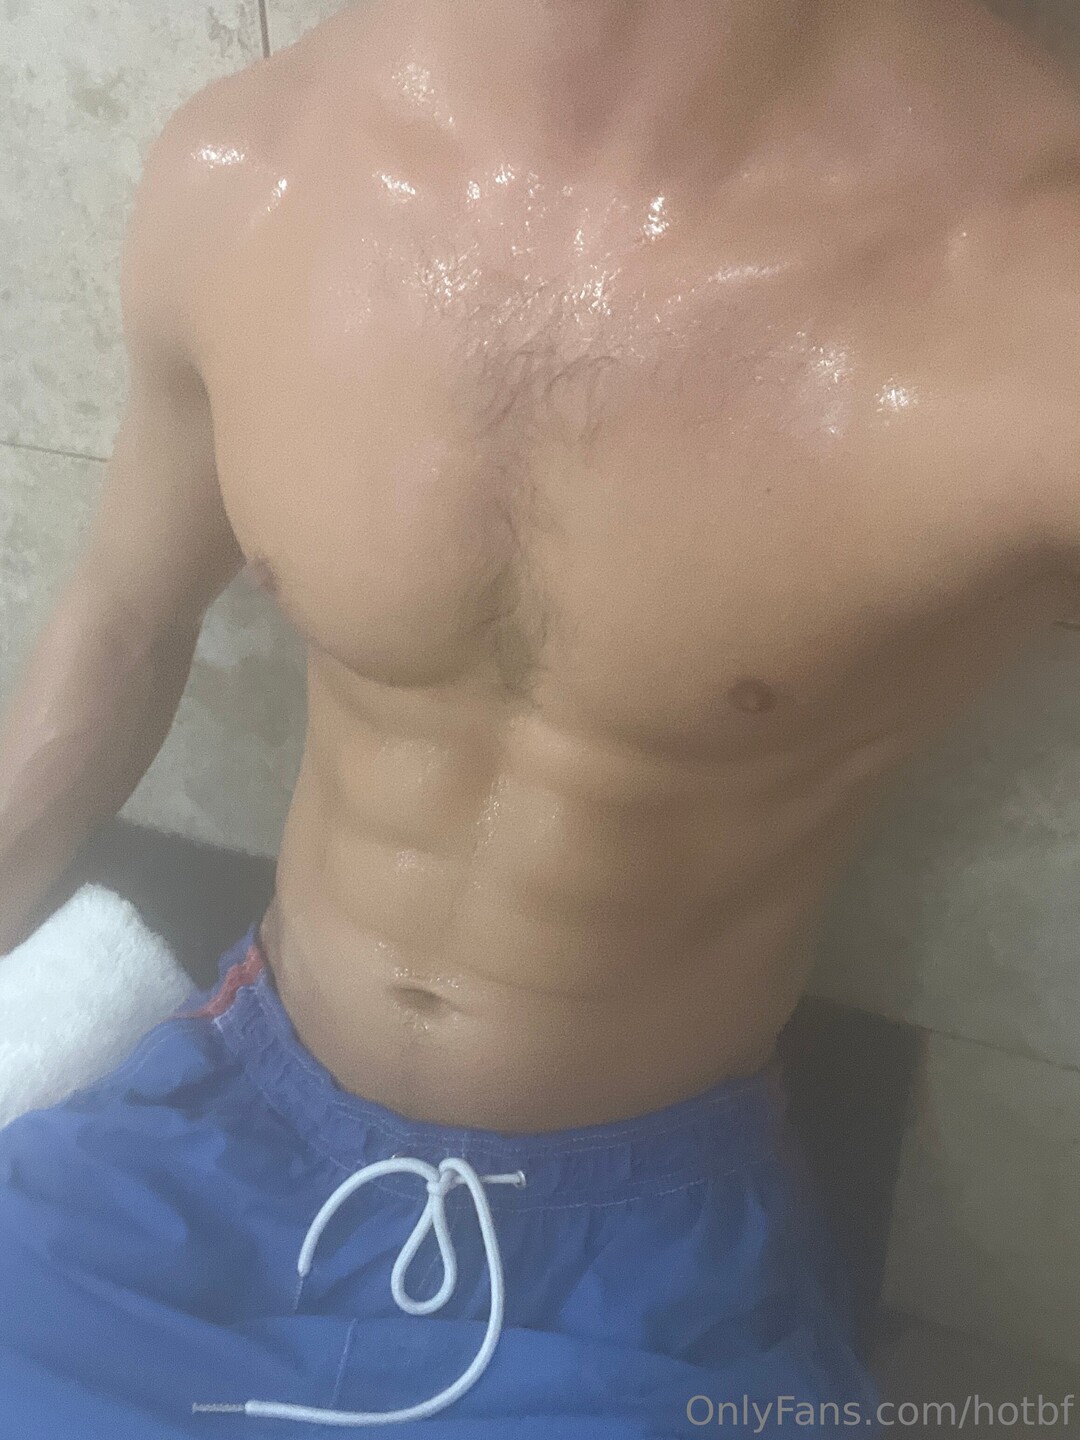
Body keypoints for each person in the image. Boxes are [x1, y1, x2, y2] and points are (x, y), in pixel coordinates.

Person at [2, 0, 1079, 1433]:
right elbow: (125, 624)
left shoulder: (1033, 271)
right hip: (214, 1130)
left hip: (638, 1253)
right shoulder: (250, 168)